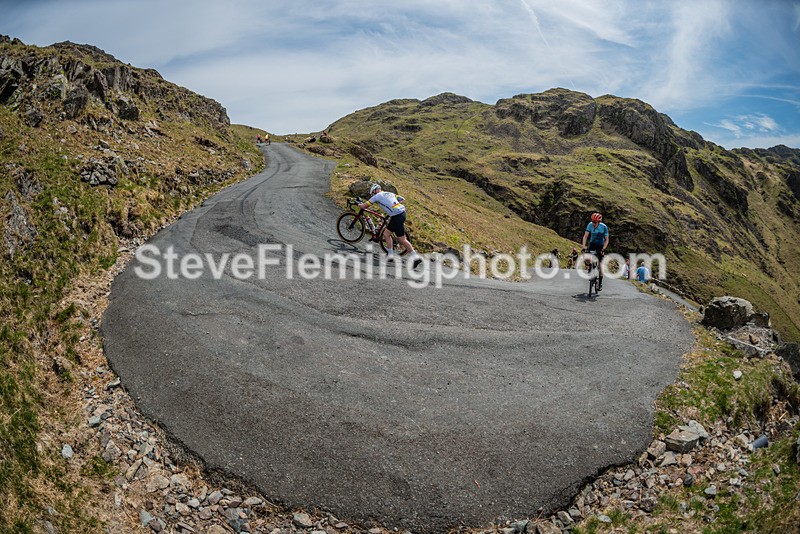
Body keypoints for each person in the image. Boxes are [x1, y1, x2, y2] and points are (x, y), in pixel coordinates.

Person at [358, 184, 421, 268]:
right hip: (400, 213)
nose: (372, 195)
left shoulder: (377, 196)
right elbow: (402, 199)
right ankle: (390, 255)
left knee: (402, 239)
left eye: (372, 193)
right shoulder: (389, 193)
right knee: (386, 234)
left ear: (375, 191)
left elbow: (364, 206)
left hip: (397, 216)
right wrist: (393, 206)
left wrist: (359, 204)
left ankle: (416, 258)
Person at [581, 212, 609, 290]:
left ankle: (600, 283)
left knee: (601, 265)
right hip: (592, 244)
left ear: (599, 222)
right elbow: (585, 236)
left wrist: (603, 249)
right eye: (592, 221)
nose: (593, 223)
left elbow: (607, 240)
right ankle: (590, 268)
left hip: (600, 245)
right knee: (586, 258)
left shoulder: (604, 227)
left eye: (595, 222)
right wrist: (583, 247)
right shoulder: (590, 225)